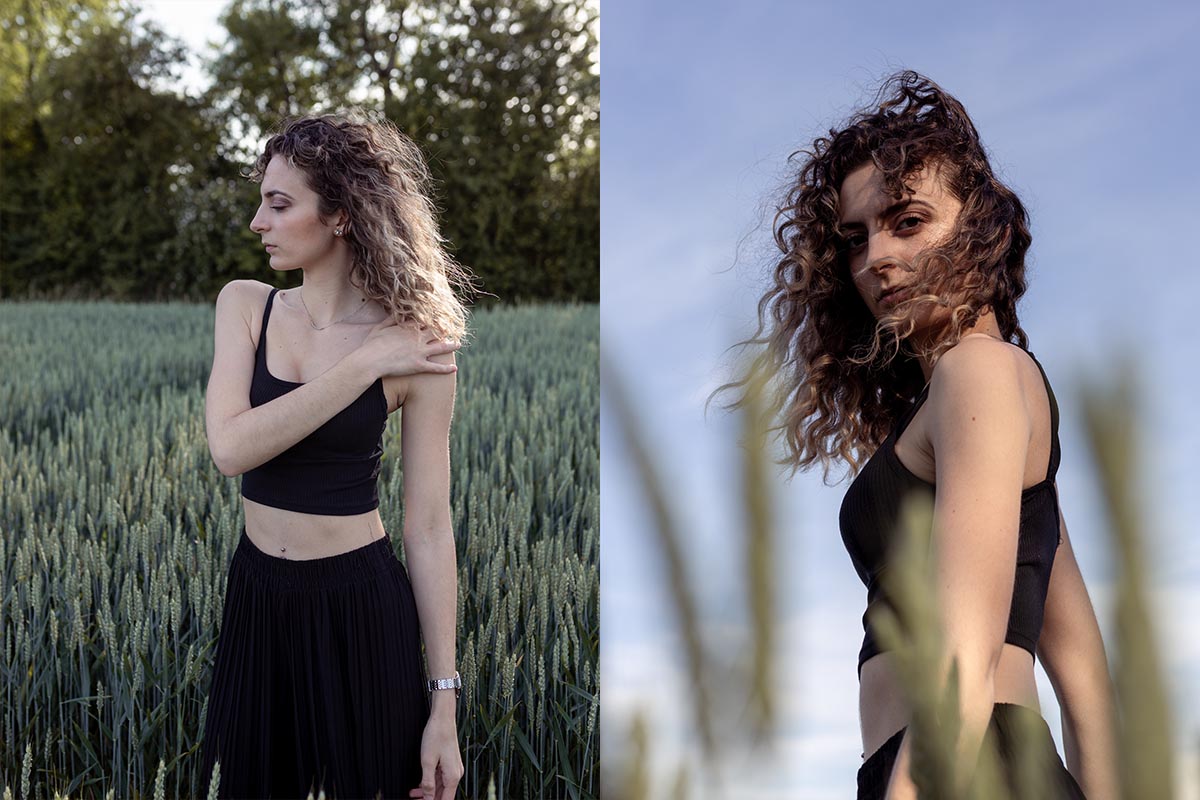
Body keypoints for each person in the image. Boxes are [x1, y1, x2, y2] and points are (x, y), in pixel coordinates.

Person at [736, 72, 1118, 799]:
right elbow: (1086, 681)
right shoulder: (983, 396)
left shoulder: (977, 373)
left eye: (907, 221)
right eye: (856, 239)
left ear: (984, 229)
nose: (876, 257)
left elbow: (962, 663)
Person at [201, 112, 473, 800]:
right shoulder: (246, 308)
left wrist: (444, 705)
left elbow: (430, 527)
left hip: (361, 603)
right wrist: (359, 369)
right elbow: (230, 448)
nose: (258, 222)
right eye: (263, 200)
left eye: (279, 203)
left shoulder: (419, 350)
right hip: (257, 597)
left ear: (342, 216)